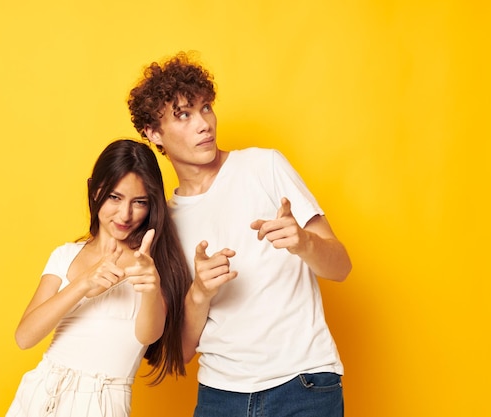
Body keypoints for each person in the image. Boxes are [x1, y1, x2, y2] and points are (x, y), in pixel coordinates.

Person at [127, 52, 352, 417]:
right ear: (154, 133)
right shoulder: (165, 223)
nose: (204, 124)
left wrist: (304, 242)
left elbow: (341, 267)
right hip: (221, 396)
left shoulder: (264, 166)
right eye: (184, 115)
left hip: (303, 384)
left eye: (206, 108)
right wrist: (199, 292)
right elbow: (182, 352)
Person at [6, 139, 191, 417]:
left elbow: (147, 335)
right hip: (42, 392)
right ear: (95, 191)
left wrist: (151, 287)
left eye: (139, 202)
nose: (125, 214)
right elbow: (25, 337)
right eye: (115, 198)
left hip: (103, 401)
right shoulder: (66, 254)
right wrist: (83, 285)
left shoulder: (152, 262)